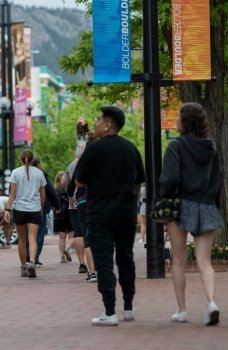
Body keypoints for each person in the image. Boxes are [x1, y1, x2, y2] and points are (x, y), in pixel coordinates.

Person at [75, 106, 145, 326]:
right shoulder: (131, 149)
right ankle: (129, 307)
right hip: (125, 214)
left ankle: (109, 310)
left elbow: (79, 180)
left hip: (99, 215)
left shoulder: (94, 149)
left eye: (98, 120)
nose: (95, 123)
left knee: (104, 261)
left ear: (107, 124)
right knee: (126, 259)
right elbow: (139, 181)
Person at [159, 102, 222, 325]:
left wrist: (163, 192)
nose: (176, 120)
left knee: (178, 261)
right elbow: (217, 178)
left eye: (178, 117)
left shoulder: (176, 146)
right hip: (206, 205)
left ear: (185, 121)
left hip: (181, 204)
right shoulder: (211, 147)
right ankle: (211, 303)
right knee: (205, 261)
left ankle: (182, 310)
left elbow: (169, 178)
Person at [4, 150, 45, 279]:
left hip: (19, 209)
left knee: (22, 240)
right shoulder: (39, 173)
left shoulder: (15, 172)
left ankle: (24, 267)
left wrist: (7, 209)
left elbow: (12, 194)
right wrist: (41, 207)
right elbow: (43, 195)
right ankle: (32, 262)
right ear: (32, 159)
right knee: (32, 238)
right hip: (34, 209)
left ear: (20, 159)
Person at [69, 132, 99, 283]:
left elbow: (73, 183)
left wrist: (70, 197)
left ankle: (92, 273)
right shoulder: (104, 159)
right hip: (102, 200)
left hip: (83, 201)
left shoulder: (82, 161)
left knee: (86, 235)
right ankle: (102, 269)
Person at [28, 156, 59, 266]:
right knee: (39, 234)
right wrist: (57, 205)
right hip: (39, 208)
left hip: (24, 208)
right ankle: (34, 258)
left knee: (28, 235)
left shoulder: (20, 174)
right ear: (37, 164)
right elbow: (51, 192)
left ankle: (27, 258)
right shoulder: (42, 175)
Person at [53, 172, 73, 263]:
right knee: (72, 235)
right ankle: (68, 248)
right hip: (69, 212)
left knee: (61, 238)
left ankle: (62, 257)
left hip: (59, 214)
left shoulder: (55, 189)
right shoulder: (69, 187)